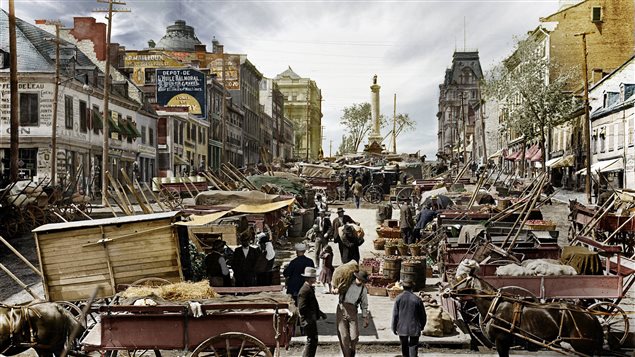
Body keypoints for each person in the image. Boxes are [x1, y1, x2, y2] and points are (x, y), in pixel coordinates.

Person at [336, 270, 370, 357]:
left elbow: (364, 304)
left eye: (363, 281)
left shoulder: (363, 289)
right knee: (344, 336)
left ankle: (352, 350)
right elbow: (337, 288)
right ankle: (347, 355)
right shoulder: (347, 284)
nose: (361, 282)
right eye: (360, 280)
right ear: (356, 278)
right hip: (342, 309)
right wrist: (335, 289)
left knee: (354, 336)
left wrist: (365, 317)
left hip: (353, 311)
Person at [297, 267, 327, 357]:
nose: (315, 279)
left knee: (313, 340)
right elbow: (302, 307)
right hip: (308, 320)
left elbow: (312, 304)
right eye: (314, 277)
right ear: (310, 279)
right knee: (312, 340)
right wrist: (311, 316)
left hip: (310, 319)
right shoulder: (305, 290)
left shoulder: (308, 288)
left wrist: (320, 313)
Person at [392, 279, 426, 357]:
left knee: (404, 346)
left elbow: (395, 315)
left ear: (403, 287)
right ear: (412, 288)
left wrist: (393, 327)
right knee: (413, 346)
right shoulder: (417, 299)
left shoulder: (398, 298)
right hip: (414, 327)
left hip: (402, 327)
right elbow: (423, 315)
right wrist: (422, 326)